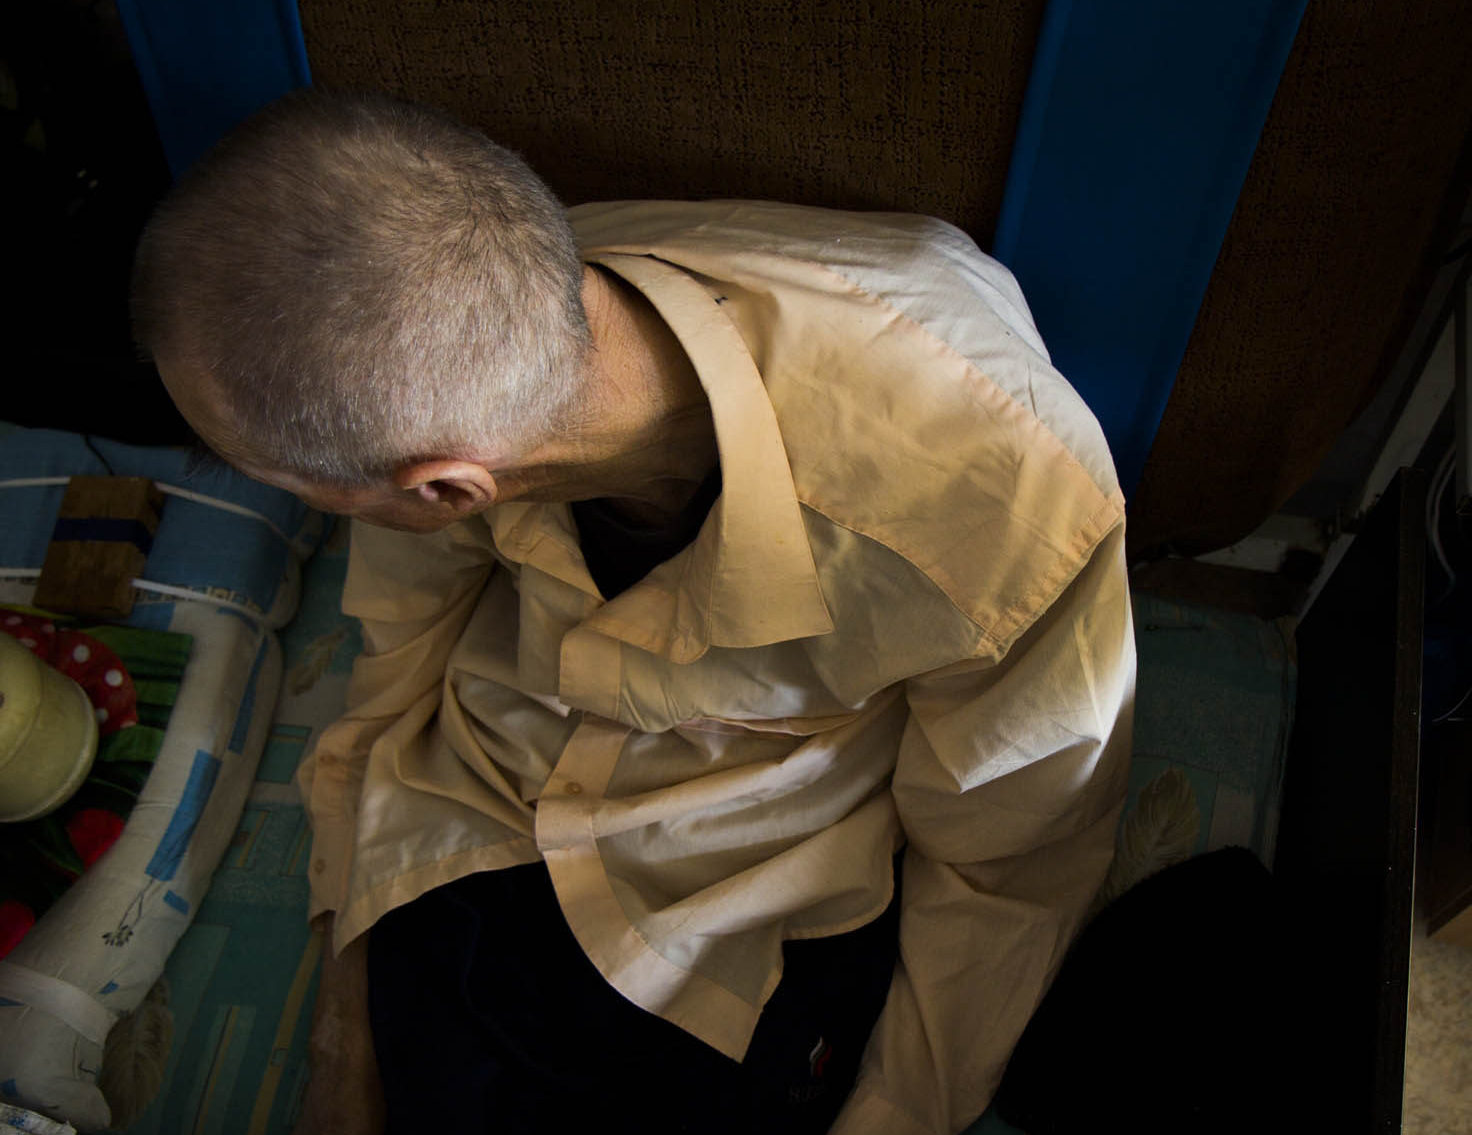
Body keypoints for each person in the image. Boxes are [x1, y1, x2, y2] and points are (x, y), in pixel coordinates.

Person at [132, 89, 1133, 1135]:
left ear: (444, 490)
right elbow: (396, 660)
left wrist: (893, 1117)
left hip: (750, 883)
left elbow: (1007, 862)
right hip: (491, 812)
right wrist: (344, 1013)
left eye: (294, 489)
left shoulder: (1001, 512)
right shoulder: (451, 328)